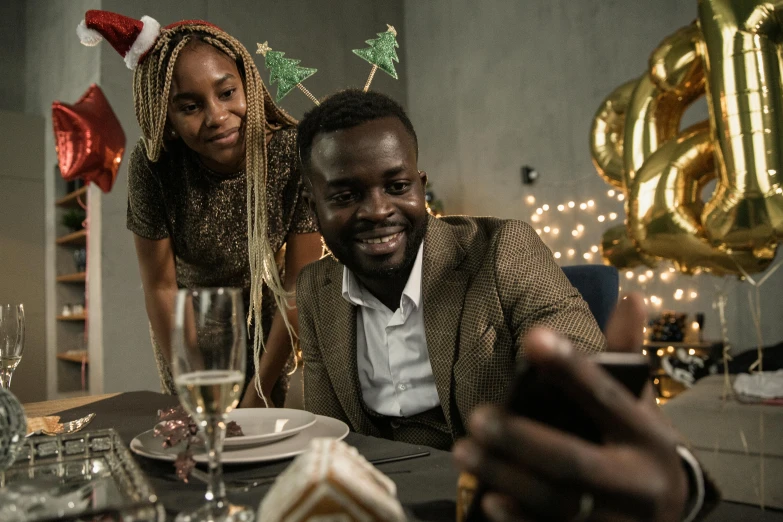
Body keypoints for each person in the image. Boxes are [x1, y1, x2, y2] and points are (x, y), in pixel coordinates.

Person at [295, 89, 717, 521]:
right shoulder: (315, 289)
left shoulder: (504, 251)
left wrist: (680, 481)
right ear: (314, 208)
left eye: (397, 186)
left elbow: (586, 390)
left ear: (421, 186)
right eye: (345, 196)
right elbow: (330, 442)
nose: (378, 210)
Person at [78, 10, 322, 407]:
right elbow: (161, 287)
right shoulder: (154, 167)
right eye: (190, 107)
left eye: (227, 93)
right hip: (185, 329)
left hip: (265, 327)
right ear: (167, 117)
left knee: (256, 441)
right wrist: (193, 380)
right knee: (199, 443)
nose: (217, 117)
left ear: (248, 83)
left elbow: (298, 286)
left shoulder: (289, 152)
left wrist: (259, 390)